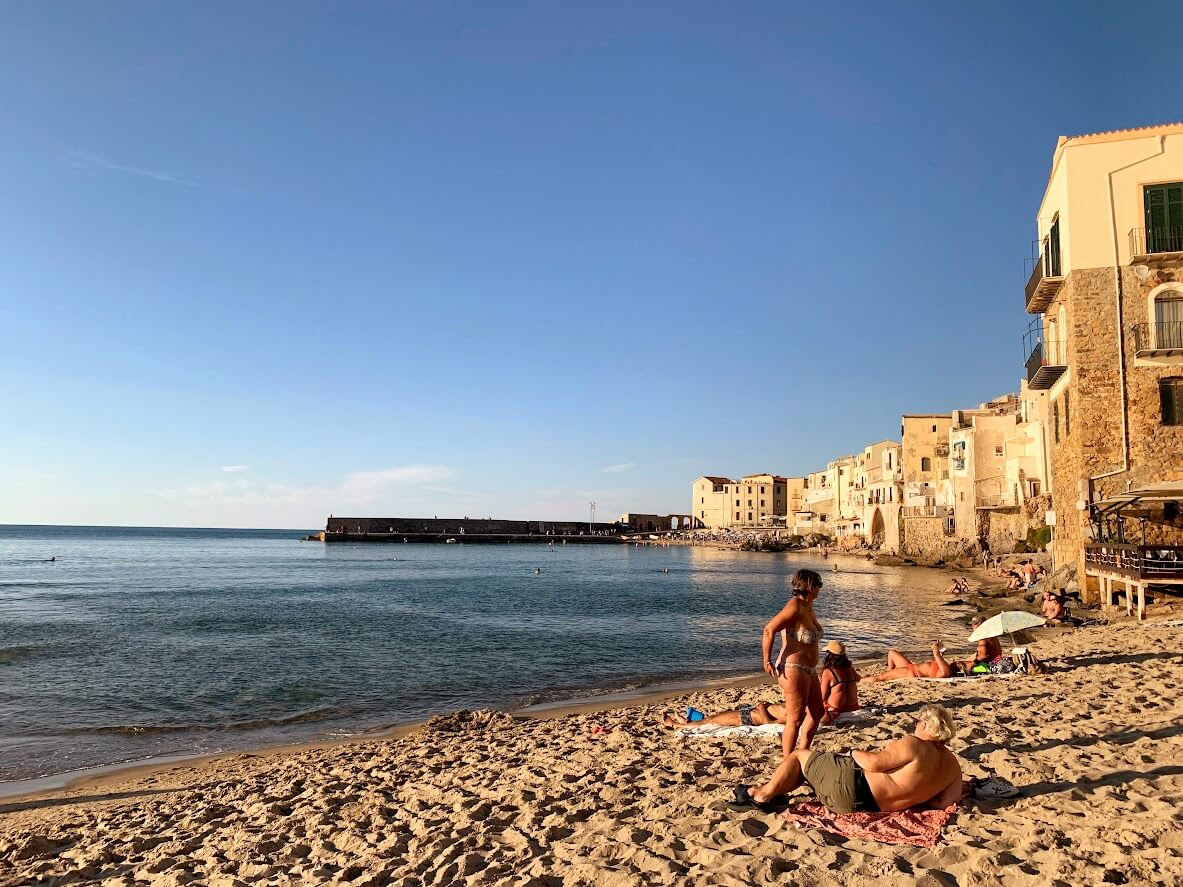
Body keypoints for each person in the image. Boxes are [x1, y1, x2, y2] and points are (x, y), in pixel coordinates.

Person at [734, 704, 963, 813]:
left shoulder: (915, 744)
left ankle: (762, 795)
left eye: (916, 722)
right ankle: (776, 792)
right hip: (869, 808)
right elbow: (945, 804)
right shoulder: (953, 766)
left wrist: (853, 752)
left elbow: (873, 763)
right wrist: (915, 794)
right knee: (812, 767)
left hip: (850, 788)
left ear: (923, 724)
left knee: (799, 755)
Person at [761, 569, 825, 763]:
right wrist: (767, 660)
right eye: (818, 585)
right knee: (795, 719)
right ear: (810, 586)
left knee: (817, 712)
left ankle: (802, 752)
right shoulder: (795, 606)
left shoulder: (809, 607)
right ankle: (788, 762)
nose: (820, 589)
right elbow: (769, 629)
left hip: (809, 669)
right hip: (793, 667)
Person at [865, 642, 954, 682]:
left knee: (879, 678)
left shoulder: (945, 672)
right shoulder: (945, 666)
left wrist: (935, 648)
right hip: (911, 667)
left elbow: (936, 655)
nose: (955, 663)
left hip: (912, 672)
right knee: (892, 652)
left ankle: (858, 681)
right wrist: (940, 649)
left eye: (957, 663)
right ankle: (890, 673)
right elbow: (938, 657)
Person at [663, 700, 785, 729]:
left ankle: (675, 724)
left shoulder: (794, 715)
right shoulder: (797, 707)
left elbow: (768, 723)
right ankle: (685, 721)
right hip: (747, 714)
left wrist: (762, 707)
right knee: (710, 719)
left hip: (746, 718)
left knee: (709, 721)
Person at [819, 641, 861, 724]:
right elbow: (858, 678)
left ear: (829, 654)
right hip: (853, 706)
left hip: (835, 708)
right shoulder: (849, 668)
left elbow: (822, 697)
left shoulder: (828, 671)